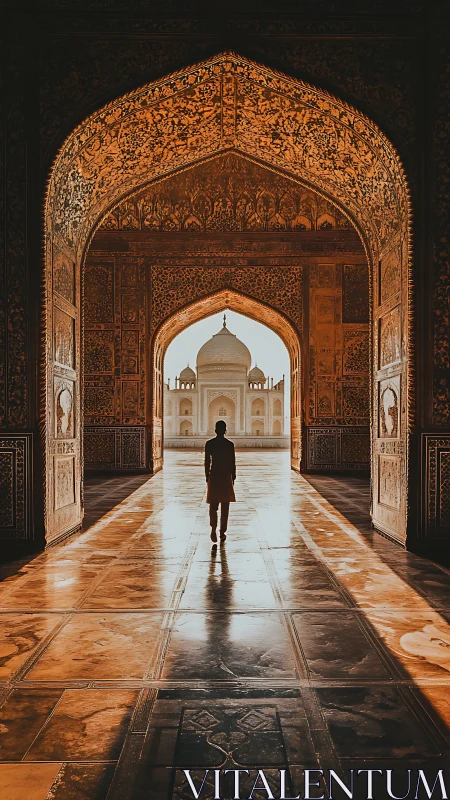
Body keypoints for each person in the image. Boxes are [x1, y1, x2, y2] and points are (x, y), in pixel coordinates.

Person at [204, 420, 236, 544]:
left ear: (216, 430)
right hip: (225, 476)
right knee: (225, 506)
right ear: (225, 430)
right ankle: (222, 532)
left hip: (215, 475)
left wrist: (207, 476)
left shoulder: (210, 444)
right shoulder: (229, 444)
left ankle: (213, 529)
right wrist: (233, 476)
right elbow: (233, 462)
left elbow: (207, 462)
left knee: (213, 505)